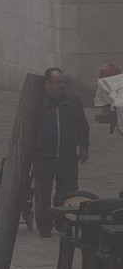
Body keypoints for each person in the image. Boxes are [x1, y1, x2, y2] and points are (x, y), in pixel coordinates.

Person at [31, 68, 91, 237]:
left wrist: (84, 147)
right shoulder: (38, 102)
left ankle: (62, 221)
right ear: (48, 83)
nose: (61, 85)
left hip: (67, 156)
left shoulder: (72, 102)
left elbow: (82, 127)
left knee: (67, 191)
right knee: (43, 192)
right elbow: (29, 128)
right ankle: (44, 225)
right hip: (43, 156)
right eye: (57, 82)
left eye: (63, 82)